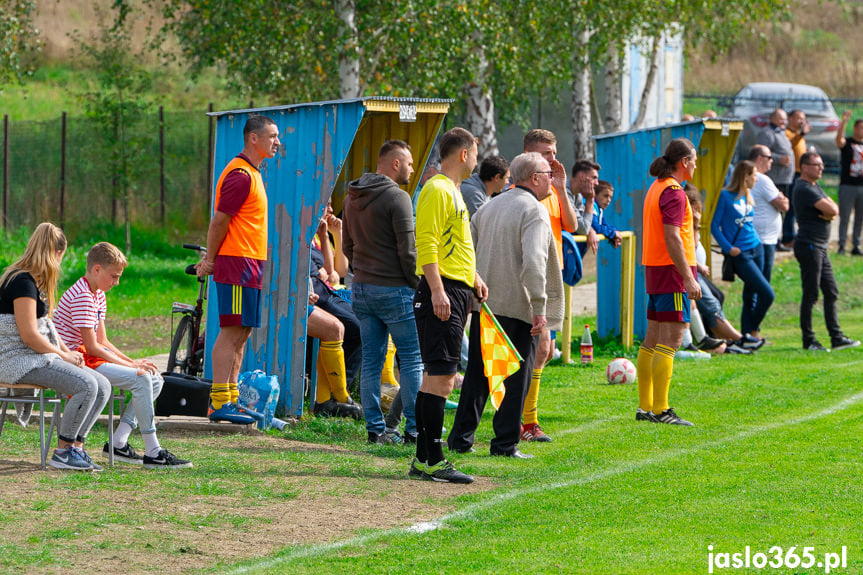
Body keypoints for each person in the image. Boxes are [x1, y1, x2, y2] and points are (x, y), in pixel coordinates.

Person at [448, 152, 564, 458]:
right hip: (517, 304)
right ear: (535, 178)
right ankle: (505, 444)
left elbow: (466, 252)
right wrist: (540, 308)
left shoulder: (489, 207)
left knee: (478, 375)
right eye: (548, 173)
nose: (551, 178)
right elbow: (535, 264)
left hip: (485, 305)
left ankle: (460, 439)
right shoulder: (534, 211)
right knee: (517, 377)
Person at [54, 242, 192, 468]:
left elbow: (104, 341)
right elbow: (91, 348)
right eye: (114, 276)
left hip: (90, 357)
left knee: (155, 379)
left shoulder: (97, 293)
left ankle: (119, 442)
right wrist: (132, 368)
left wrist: (133, 362)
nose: (116, 282)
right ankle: (153, 450)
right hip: (75, 360)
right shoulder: (82, 296)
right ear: (97, 270)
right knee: (141, 378)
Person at [410, 127, 487, 483]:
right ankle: (436, 459)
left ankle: (424, 459)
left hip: (456, 288)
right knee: (441, 379)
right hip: (441, 293)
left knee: (434, 378)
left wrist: (473, 277)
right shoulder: (437, 189)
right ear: (464, 153)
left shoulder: (452, 191)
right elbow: (425, 242)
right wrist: (438, 290)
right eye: (475, 151)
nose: (477, 158)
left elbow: (453, 244)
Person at [0, 223, 110, 470]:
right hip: (16, 359)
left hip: (36, 356)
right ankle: (63, 451)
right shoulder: (21, 282)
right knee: (86, 384)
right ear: (57, 253)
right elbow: (29, 335)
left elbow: (46, 325)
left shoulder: (36, 281)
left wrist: (67, 352)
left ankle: (75, 448)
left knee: (102, 385)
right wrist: (62, 354)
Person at [196, 115, 280, 424]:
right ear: (253, 139)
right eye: (272, 136)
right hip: (235, 262)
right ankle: (219, 402)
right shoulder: (240, 175)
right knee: (230, 333)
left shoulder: (255, 173)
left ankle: (233, 400)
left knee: (242, 333)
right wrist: (210, 260)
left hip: (250, 264)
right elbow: (219, 221)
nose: (277, 142)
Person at [343, 140, 424, 444]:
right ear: (395, 163)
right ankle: (415, 430)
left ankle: (376, 430)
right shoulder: (398, 198)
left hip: (361, 289)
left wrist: (364, 271)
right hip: (395, 290)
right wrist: (417, 285)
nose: (412, 169)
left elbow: (348, 247)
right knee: (413, 360)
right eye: (410, 163)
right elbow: (408, 252)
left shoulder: (352, 196)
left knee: (372, 363)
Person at [517, 130, 581, 444]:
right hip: (531, 281)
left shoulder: (551, 187)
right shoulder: (521, 191)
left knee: (543, 352)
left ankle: (524, 419)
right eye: (546, 153)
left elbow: (572, 225)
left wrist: (562, 187)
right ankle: (525, 421)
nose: (553, 159)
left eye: (554, 152)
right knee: (539, 350)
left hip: (551, 280)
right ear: (529, 154)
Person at [637, 138, 701, 426]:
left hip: (655, 268)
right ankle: (662, 410)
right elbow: (673, 236)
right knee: (672, 340)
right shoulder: (675, 192)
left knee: (652, 339)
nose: (696, 164)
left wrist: (697, 265)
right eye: (695, 159)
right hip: (671, 272)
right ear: (684, 162)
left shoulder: (657, 186)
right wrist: (688, 276)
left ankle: (645, 407)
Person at [792, 152, 860, 352]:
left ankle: (836, 337)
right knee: (811, 294)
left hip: (820, 246)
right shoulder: (804, 187)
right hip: (809, 245)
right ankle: (809, 340)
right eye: (816, 165)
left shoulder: (815, 186)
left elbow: (833, 208)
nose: (821, 169)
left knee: (831, 291)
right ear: (804, 166)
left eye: (822, 165)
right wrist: (829, 211)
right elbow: (832, 210)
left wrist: (829, 211)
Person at [711, 161, 774, 349]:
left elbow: (748, 223)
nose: (756, 178)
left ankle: (747, 335)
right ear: (745, 176)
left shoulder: (748, 195)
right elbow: (715, 226)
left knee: (751, 294)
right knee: (767, 294)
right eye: (754, 175)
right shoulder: (725, 196)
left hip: (757, 247)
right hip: (740, 253)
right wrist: (728, 247)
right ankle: (750, 331)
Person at [748, 145, 789, 282]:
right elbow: (783, 205)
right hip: (764, 239)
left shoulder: (748, 176)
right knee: (762, 283)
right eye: (769, 157)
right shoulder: (763, 180)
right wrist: (784, 198)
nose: (772, 161)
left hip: (758, 236)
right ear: (760, 159)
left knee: (754, 282)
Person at [755, 108, 795, 249]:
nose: (784, 121)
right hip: (775, 178)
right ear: (772, 119)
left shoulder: (781, 132)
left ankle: (778, 239)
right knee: (775, 208)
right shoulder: (767, 133)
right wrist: (779, 159)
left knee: (782, 211)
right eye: (780, 119)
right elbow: (761, 152)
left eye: (785, 119)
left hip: (785, 178)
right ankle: (775, 240)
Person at [835, 109, 863, 255]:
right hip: (848, 185)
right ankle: (841, 245)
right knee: (845, 217)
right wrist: (844, 122)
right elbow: (839, 140)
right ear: (855, 128)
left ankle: (856, 245)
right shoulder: (848, 143)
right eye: (861, 128)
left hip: (861, 186)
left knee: (860, 218)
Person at [592, 180, 622, 248]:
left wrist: (615, 231)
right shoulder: (591, 206)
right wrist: (613, 233)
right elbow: (595, 227)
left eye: (610, 197)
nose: (609, 200)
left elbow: (604, 225)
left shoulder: (599, 209)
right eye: (605, 196)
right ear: (595, 194)